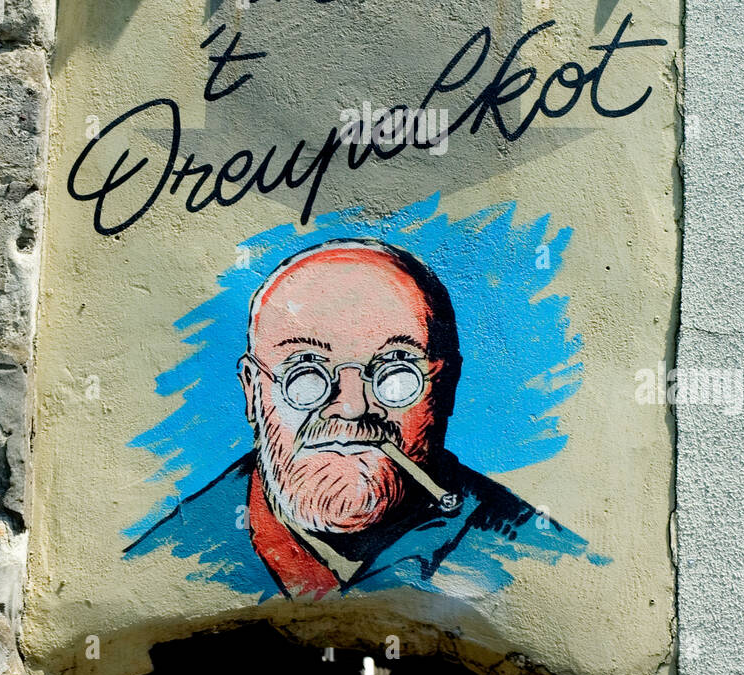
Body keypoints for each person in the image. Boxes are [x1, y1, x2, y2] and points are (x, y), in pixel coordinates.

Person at [126, 240, 588, 598]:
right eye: (305, 373)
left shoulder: (532, 555)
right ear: (253, 390)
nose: (351, 406)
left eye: (396, 371)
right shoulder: (165, 564)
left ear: (444, 387)